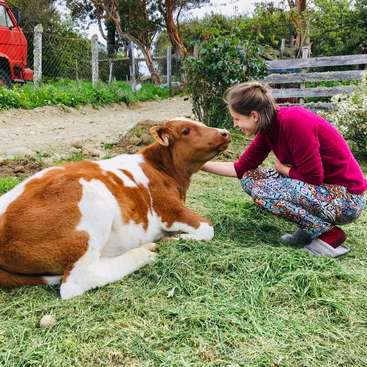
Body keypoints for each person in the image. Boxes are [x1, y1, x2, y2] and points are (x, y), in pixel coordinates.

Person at [201, 81, 367, 257]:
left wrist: (283, 169)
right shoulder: (268, 128)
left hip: (347, 199)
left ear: (254, 115)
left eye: (237, 119)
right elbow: (241, 168)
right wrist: (197, 165)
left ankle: (329, 235)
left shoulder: (294, 121)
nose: (235, 125)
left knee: (262, 190)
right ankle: (311, 229)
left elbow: (314, 176)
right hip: (322, 192)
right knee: (251, 178)